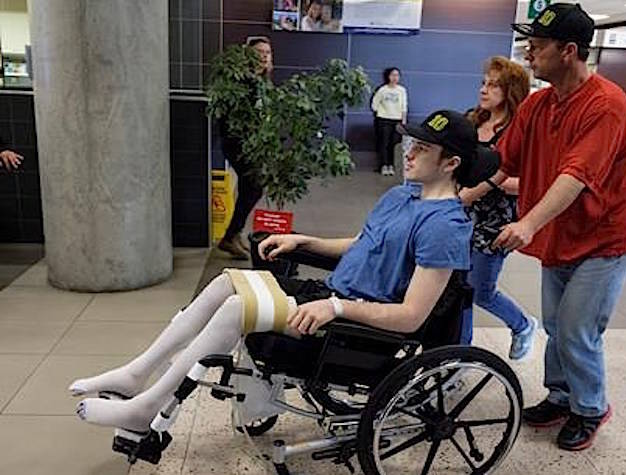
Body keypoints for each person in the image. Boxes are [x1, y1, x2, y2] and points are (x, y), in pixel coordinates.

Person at [69, 110, 498, 435]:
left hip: (357, 324)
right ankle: (135, 374)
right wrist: (304, 240)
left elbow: (410, 317)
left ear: (451, 163)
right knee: (227, 283)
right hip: (331, 293)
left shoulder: (445, 227)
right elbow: (363, 244)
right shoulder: (404, 196)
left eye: (423, 147)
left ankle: (145, 410)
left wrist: (335, 306)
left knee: (240, 309)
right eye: (413, 142)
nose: (410, 150)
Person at [465, 3, 626, 451]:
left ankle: (591, 407)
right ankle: (561, 395)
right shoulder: (540, 104)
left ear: (568, 51)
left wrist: (527, 222)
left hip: (605, 238)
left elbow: (576, 177)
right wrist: (452, 177)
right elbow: (504, 160)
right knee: (555, 323)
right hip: (562, 235)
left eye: (537, 46)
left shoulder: (606, 104)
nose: (528, 53)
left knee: (577, 327)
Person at [459, 56, 537, 359]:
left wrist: (492, 182)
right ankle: (458, 353)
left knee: (479, 289)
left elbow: (532, 181)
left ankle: (522, 324)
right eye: (484, 83)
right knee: (457, 289)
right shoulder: (472, 121)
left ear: (511, 91)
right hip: (460, 213)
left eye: (493, 85)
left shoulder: (520, 131)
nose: (484, 90)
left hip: (497, 220)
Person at [217, 37, 273, 260]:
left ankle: (233, 234)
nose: (264, 56)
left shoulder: (262, 80)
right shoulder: (240, 80)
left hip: (255, 143)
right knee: (254, 186)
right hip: (238, 142)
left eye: (267, 52)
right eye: (259, 52)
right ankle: (230, 236)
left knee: (251, 187)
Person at [371, 67, 408, 176]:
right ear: (388, 76)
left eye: (397, 75)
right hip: (384, 120)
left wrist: (403, 120)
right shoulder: (382, 89)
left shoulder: (401, 90)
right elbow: (374, 104)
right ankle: (384, 165)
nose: (395, 78)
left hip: (397, 120)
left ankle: (391, 165)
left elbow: (404, 106)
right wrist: (381, 113)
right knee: (384, 143)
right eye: (393, 75)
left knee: (395, 144)